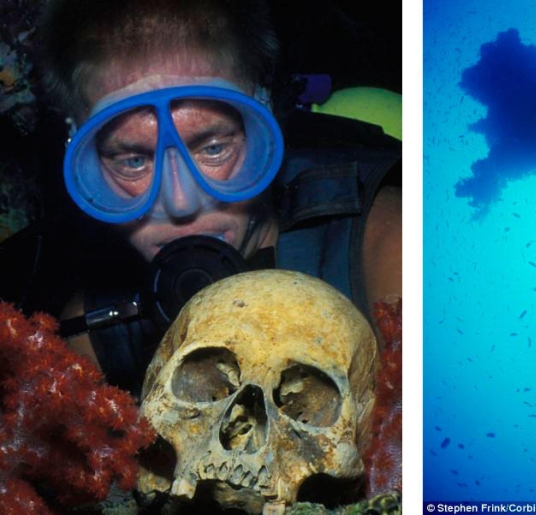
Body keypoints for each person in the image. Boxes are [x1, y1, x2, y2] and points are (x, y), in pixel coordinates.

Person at [30, 0, 401, 395]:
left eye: (213, 148)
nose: (181, 202)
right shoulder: (92, 340)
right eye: (134, 160)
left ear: (263, 129)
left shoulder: (390, 252)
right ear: (88, 169)